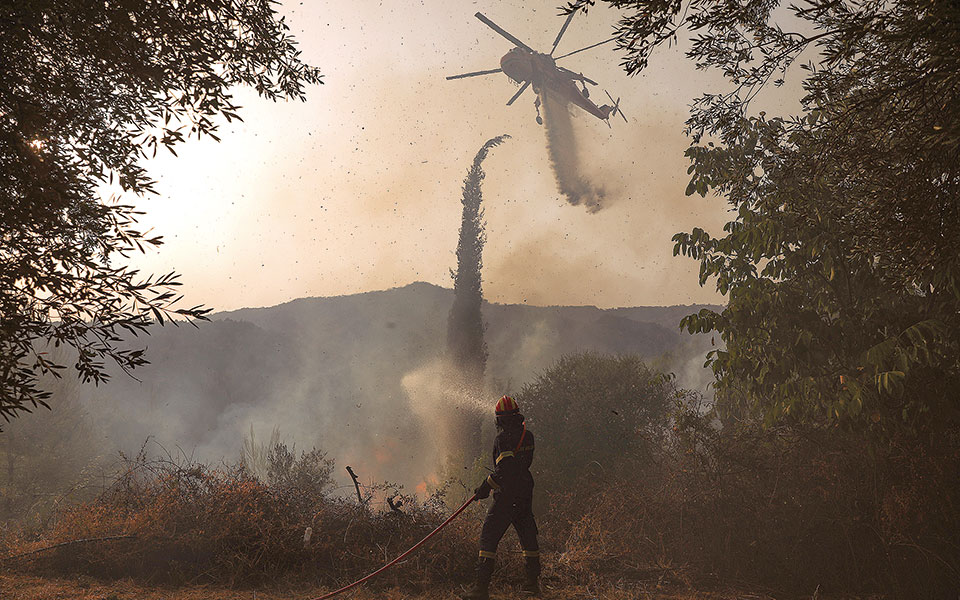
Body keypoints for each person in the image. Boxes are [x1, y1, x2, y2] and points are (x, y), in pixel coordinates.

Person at [462, 395, 540, 599]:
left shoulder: (502, 439)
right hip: (525, 492)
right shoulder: (528, 435)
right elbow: (520, 466)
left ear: (499, 420)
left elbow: (506, 469)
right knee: (528, 536)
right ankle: (532, 585)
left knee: (488, 537)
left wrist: (485, 487)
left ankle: (480, 588)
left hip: (508, 496)